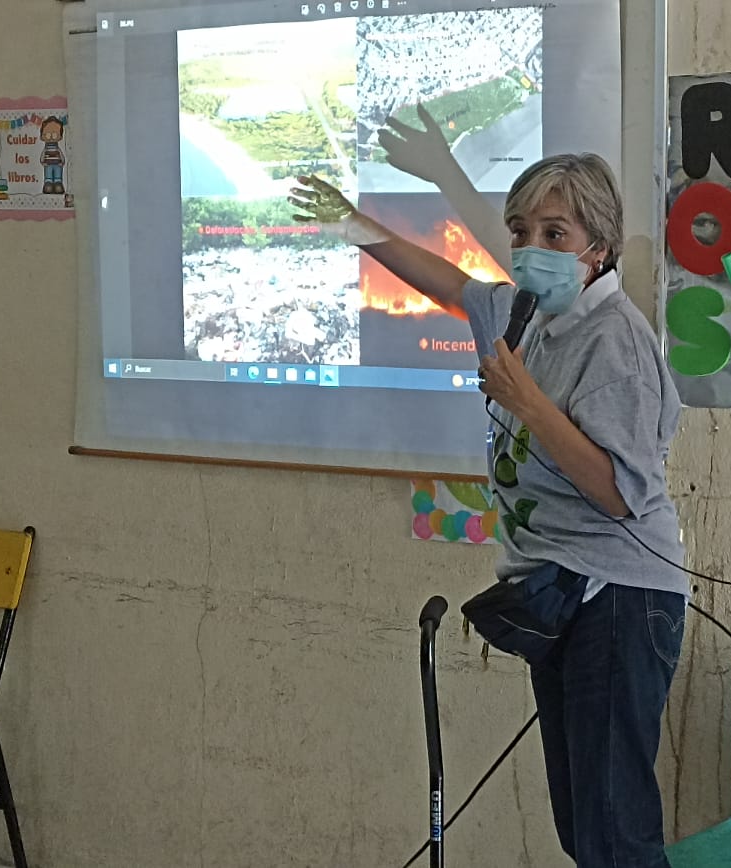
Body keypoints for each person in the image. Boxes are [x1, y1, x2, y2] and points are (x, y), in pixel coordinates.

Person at [290, 153, 687, 868]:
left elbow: (620, 493)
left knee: (613, 833)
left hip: (620, 596)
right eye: (520, 231)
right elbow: (443, 279)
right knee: (583, 828)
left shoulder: (615, 340)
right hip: (564, 588)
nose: (533, 248)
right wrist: (353, 224)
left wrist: (525, 400)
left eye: (555, 233)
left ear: (598, 247)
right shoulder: (529, 316)